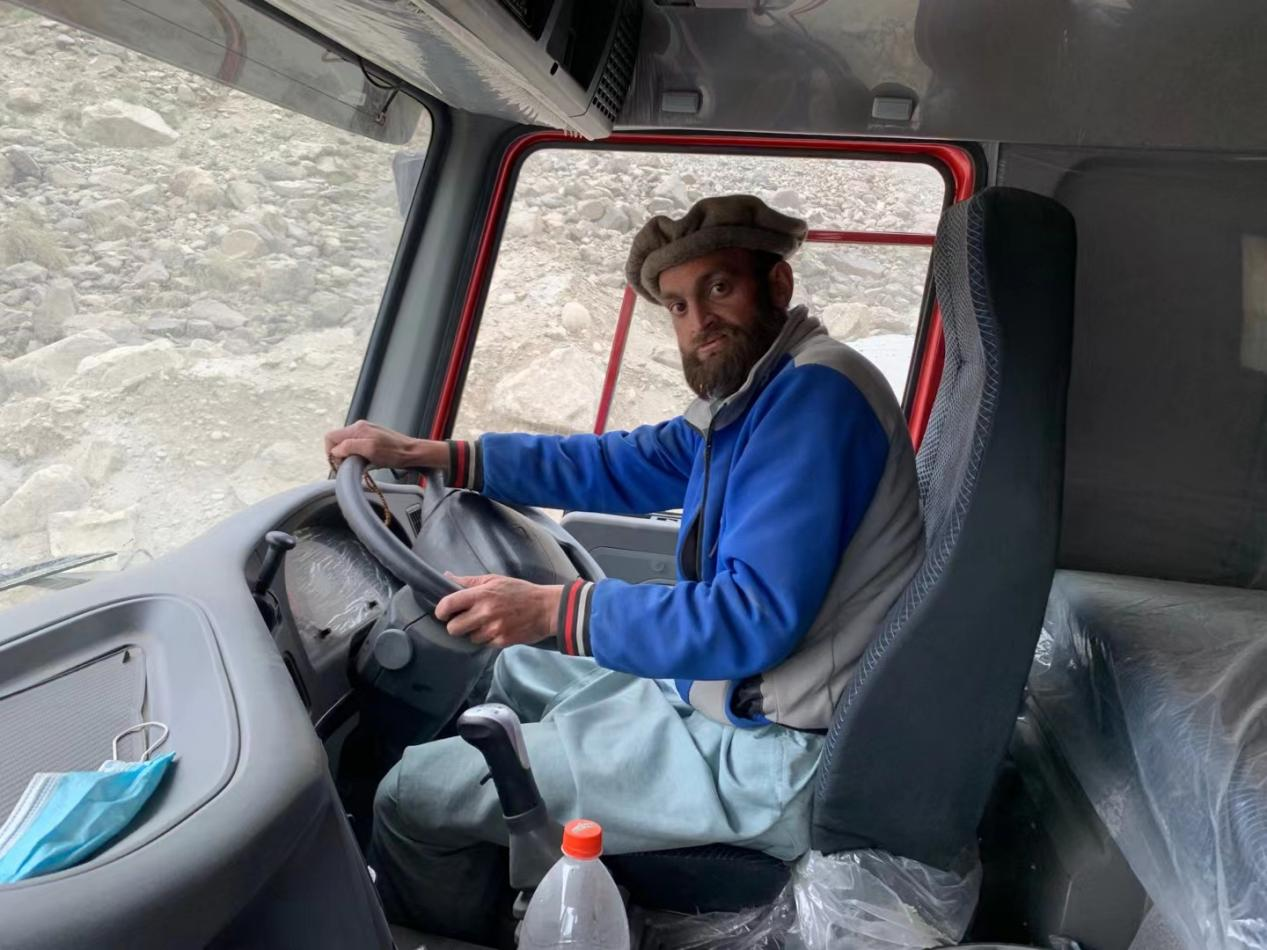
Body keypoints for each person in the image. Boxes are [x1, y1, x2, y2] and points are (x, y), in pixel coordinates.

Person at [324, 195, 925, 942]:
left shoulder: (812, 399)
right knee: (511, 669)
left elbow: (747, 618)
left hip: (773, 748)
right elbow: (624, 464)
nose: (698, 322)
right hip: (739, 697)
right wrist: (442, 457)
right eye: (677, 306)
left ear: (776, 286)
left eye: (718, 289)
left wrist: (553, 609)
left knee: (412, 796)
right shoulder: (762, 394)